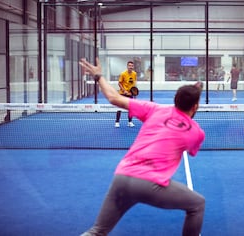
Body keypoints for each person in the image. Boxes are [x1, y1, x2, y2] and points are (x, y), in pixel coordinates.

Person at [79, 58, 206, 236]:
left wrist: (99, 76)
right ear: (195, 106)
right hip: (151, 184)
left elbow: (114, 97)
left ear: (175, 99)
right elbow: (189, 148)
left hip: (122, 177)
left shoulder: (154, 109)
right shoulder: (196, 132)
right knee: (197, 204)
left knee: (97, 231)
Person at [115, 61, 137, 128]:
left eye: (132, 66)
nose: (130, 67)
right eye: (129, 65)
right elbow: (119, 83)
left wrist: (134, 93)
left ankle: (130, 122)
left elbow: (134, 83)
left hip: (130, 94)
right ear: (127, 66)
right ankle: (117, 122)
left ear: (133, 67)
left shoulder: (134, 74)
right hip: (122, 93)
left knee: (130, 108)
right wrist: (124, 91)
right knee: (120, 107)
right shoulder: (123, 74)